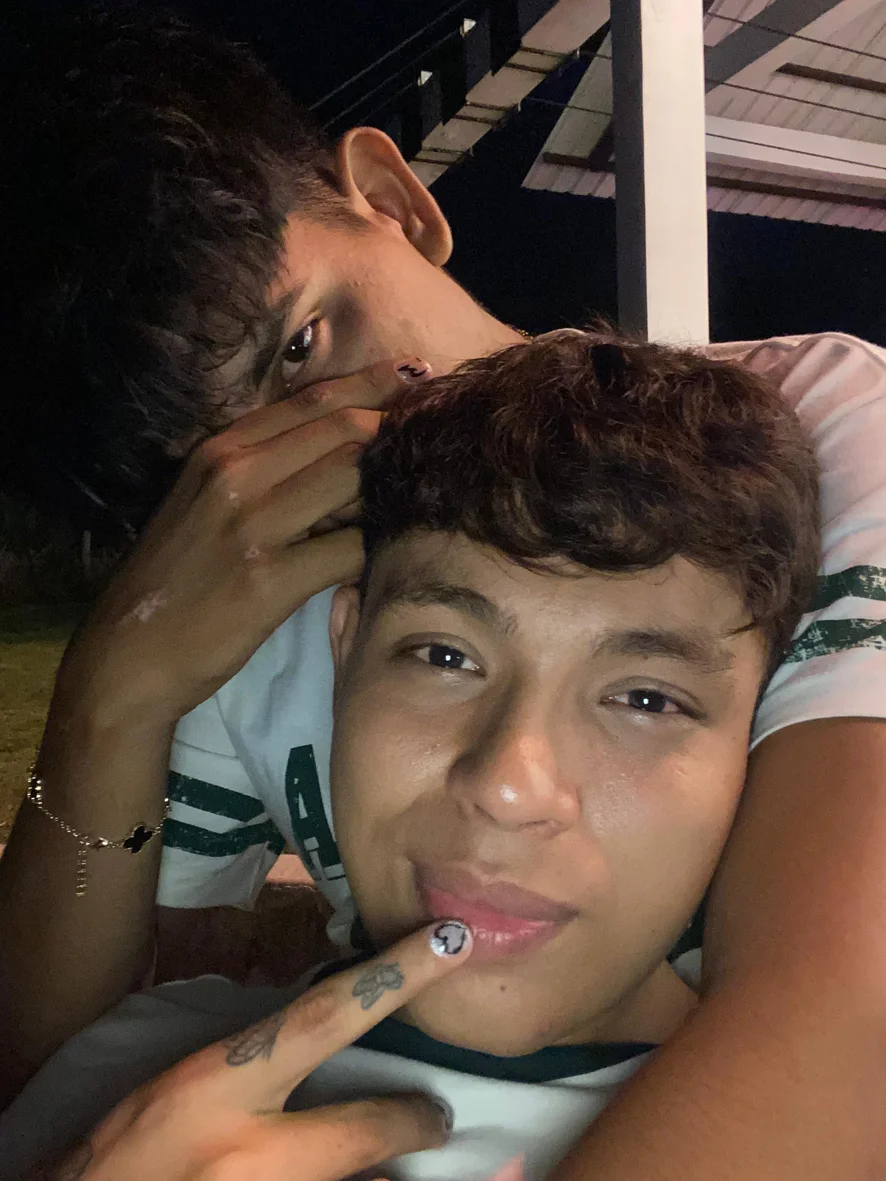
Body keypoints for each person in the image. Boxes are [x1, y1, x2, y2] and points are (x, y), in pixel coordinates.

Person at [2, 7, 886, 1178]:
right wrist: (112, 689)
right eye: (196, 466)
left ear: (397, 203)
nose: (272, 466)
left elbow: (839, 1006)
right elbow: (56, 1058)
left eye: (300, 345)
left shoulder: (805, 427)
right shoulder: (247, 590)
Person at [2, 331, 821, 1180]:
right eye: (444, 655)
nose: (507, 785)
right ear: (346, 651)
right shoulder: (118, 1071)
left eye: (646, 699)